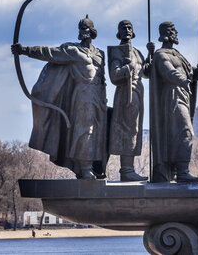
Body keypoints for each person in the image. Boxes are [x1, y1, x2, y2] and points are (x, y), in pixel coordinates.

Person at [11, 15, 108, 179]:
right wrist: (25, 50)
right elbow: (50, 53)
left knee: (98, 132)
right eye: (81, 29)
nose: (83, 32)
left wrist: (104, 98)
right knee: (85, 130)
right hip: (83, 94)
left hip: (98, 96)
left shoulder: (100, 54)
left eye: (86, 29)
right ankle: (85, 168)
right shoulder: (73, 51)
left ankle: (93, 166)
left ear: (92, 32)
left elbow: (103, 79)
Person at [149, 22, 198, 183]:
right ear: (166, 33)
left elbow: (188, 73)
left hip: (184, 95)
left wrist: (197, 72)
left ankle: (178, 170)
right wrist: (184, 80)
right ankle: (182, 171)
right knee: (185, 131)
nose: (176, 33)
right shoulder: (161, 54)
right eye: (173, 31)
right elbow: (168, 71)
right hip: (172, 96)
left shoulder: (178, 54)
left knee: (180, 132)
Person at [107, 20, 154, 181]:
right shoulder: (117, 52)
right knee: (128, 129)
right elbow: (114, 76)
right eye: (123, 28)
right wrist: (127, 68)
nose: (127, 30)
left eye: (129, 27)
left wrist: (150, 54)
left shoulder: (137, 53)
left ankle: (129, 168)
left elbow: (146, 73)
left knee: (135, 130)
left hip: (138, 92)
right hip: (126, 93)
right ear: (118, 33)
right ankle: (126, 171)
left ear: (133, 32)